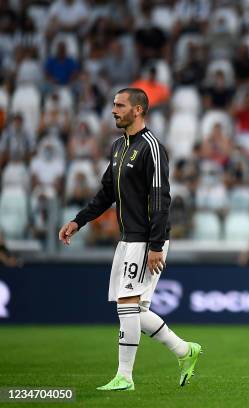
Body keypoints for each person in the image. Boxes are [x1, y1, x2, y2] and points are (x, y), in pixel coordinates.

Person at [58, 88, 201, 391]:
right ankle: (185, 351)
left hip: (146, 239)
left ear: (138, 110)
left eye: (120, 105)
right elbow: (106, 194)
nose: (113, 110)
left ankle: (125, 376)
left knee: (126, 303)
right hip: (127, 239)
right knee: (135, 310)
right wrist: (78, 220)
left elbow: (162, 199)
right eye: (113, 104)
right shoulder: (117, 147)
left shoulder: (152, 147)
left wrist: (156, 245)